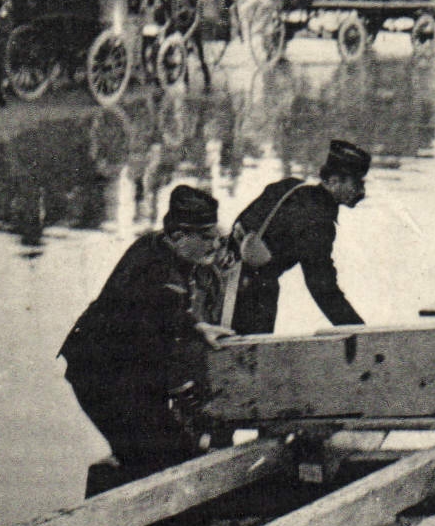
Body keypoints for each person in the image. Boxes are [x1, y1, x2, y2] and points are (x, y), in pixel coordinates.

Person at [59, 186, 229, 493]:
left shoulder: (156, 244)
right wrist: (181, 388)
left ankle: (138, 525)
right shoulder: (161, 276)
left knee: (165, 451)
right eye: (205, 237)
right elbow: (153, 346)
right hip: (100, 375)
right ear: (178, 235)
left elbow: (166, 315)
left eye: (215, 234)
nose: (215, 244)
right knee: (156, 457)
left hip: (118, 366)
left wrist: (196, 326)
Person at [229, 139, 371, 335]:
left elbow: (241, 225)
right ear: (333, 181)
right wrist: (359, 332)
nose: (361, 191)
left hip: (223, 279)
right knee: (253, 358)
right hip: (254, 295)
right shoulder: (320, 223)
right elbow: (322, 289)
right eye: (355, 184)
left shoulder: (289, 187)